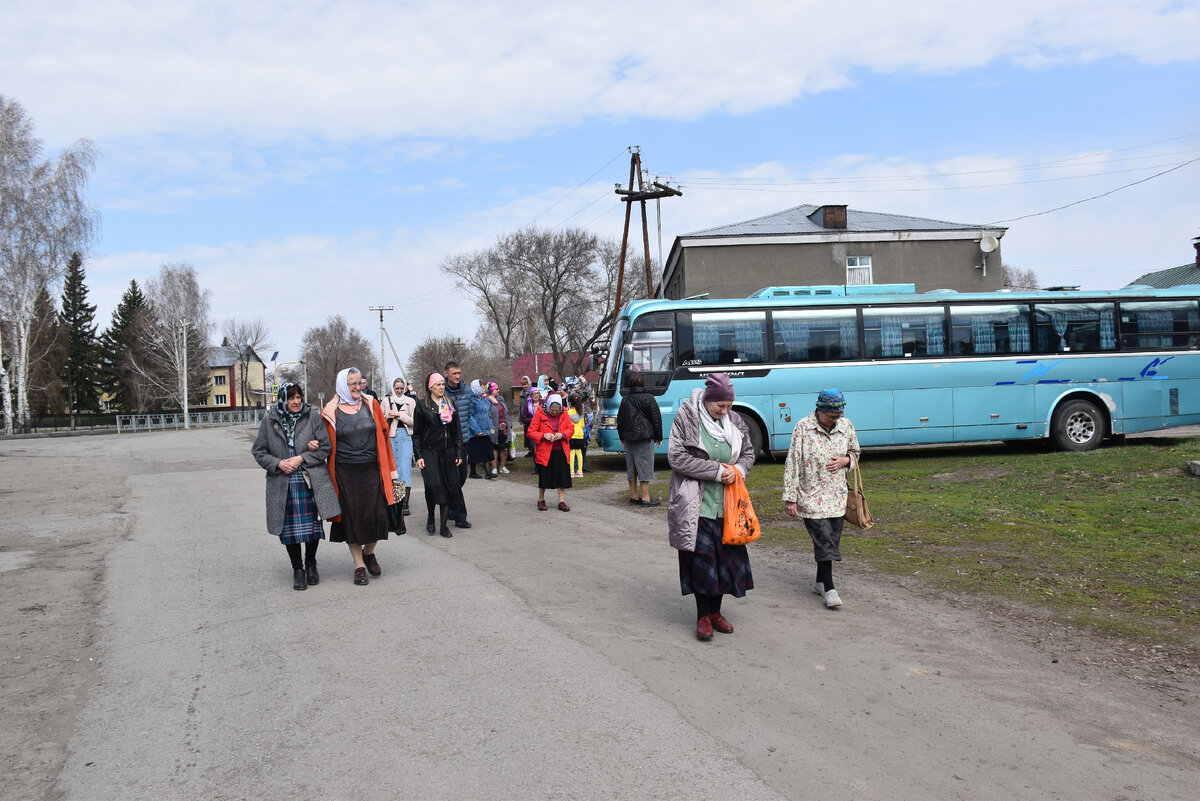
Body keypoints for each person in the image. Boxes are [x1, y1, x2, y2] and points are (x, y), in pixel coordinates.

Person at [667, 373, 757, 641]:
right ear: (708, 400)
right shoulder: (686, 418)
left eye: (729, 405)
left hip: (729, 506)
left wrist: (738, 469)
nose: (725, 411)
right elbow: (677, 457)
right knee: (702, 562)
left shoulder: (735, 421)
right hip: (698, 505)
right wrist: (717, 471)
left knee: (724, 564)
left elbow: (749, 452)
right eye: (720, 405)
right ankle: (703, 617)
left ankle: (716, 612)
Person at [251, 383, 341, 591]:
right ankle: (297, 569)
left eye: (299, 397)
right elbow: (258, 451)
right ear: (283, 399)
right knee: (289, 530)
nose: (296, 401)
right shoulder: (270, 420)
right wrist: (278, 463)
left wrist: (302, 457)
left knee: (311, 527)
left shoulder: (312, 417)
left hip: (309, 481)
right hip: (283, 482)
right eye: (291, 398)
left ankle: (311, 563)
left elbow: (326, 447)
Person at [782, 388, 861, 610]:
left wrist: (846, 461)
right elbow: (793, 463)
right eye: (831, 417)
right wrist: (790, 498)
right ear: (820, 410)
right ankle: (829, 587)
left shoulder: (846, 426)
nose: (835, 420)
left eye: (838, 416)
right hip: (811, 496)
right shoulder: (803, 428)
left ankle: (819, 582)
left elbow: (856, 452)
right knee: (824, 539)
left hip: (837, 495)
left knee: (830, 540)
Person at [320, 368, 398, 586]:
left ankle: (369, 552)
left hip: (373, 470)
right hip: (345, 472)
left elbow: (384, 436)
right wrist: (312, 445)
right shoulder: (330, 411)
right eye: (352, 383)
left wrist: (391, 469)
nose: (357, 387)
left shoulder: (371, 405)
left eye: (359, 383)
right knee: (352, 520)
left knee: (378, 516)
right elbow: (323, 441)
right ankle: (359, 565)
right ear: (343, 385)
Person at [413, 372, 465, 537]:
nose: (442, 387)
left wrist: (459, 452)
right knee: (433, 486)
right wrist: (419, 455)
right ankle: (430, 516)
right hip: (429, 452)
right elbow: (417, 434)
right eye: (438, 385)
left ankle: (443, 526)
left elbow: (457, 431)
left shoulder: (450, 404)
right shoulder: (422, 406)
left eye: (443, 384)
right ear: (430, 387)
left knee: (449, 486)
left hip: (448, 452)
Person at [617, 370, 662, 507]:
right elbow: (656, 419)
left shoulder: (625, 400)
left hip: (629, 438)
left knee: (632, 467)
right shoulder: (649, 398)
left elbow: (620, 420)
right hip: (645, 436)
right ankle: (646, 498)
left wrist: (622, 437)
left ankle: (633, 496)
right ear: (642, 382)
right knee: (645, 466)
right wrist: (659, 436)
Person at [527, 392, 573, 511]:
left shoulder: (564, 412)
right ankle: (541, 500)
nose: (554, 412)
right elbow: (531, 432)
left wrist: (562, 435)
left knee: (562, 476)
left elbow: (570, 429)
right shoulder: (540, 413)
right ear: (548, 406)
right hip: (545, 451)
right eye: (552, 410)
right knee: (544, 477)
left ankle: (561, 501)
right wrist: (543, 435)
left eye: (556, 410)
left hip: (561, 450)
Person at [443, 361, 473, 528]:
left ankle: (450, 504)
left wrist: (464, 432)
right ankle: (460, 516)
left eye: (459, 373)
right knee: (453, 478)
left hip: (464, 440)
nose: (457, 376)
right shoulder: (440, 391)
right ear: (446, 373)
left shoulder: (466, 391)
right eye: (454, 373)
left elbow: (468, 414)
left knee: (461, 477)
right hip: (448, 443)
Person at [384, 376, 416, 520]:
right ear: (393, 388)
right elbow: (380, 420)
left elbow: (414, 422)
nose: (399, 391)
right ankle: (393, 502)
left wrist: (399, 415)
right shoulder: (386, 401)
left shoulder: (410, 402)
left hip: (405, 437)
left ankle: (405, 503)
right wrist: (388, 415)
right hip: (391, 437)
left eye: (401, 388)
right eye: (397, 388)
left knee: (405, 469)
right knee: (393, 470)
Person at [466, 379, 495, 479]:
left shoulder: (483, 399)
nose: (484, 387)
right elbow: (470, 416)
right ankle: (474, 472)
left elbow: (488, 414)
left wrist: (492, 426)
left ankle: (487, 472)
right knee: (474, 452)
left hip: (485, 430)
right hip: (476, 432)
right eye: (482, 385)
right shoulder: (471, 400)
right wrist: (476, 430)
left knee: (486, 451)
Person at [488, 382, 511, 475]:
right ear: (491, 390)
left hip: (505, 428)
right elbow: (487, 415)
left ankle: (502, 466)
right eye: (496, 389)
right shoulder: (487, 401)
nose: (498, 390)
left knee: (504, 448)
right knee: (494, 448)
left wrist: (508, 424)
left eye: (498, 388)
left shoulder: (501, 399)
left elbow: (507, 413)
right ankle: (494, 468)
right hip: (494, 428)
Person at [521, 385, 542, 473]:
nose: (536, 395)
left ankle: (543, 466)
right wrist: (533, 419)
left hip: (543, 429)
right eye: (534, 394)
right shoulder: (527, 405)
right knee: (534, 448)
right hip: (532, 430)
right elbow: (524, 418)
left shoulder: (543, 403)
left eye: (537, 393)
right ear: (531, 395)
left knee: (542, 448)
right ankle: (537, 466)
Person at [567, 395, 586, 478]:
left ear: (570, 403)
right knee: (579, 453)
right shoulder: (581, 413)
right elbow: (583, 426)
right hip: (580, 435)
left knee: (571, 453)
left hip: (571, 435)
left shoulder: (567, 413)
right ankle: (580, 471)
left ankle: (571, 472)